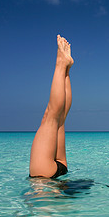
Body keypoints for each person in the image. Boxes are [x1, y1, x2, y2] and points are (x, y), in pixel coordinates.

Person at [29, 35, 74, 178]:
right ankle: (62, 65)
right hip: (44, 175)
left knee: (60, 118)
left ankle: (66, 69)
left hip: (61, 169)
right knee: (52, 117)